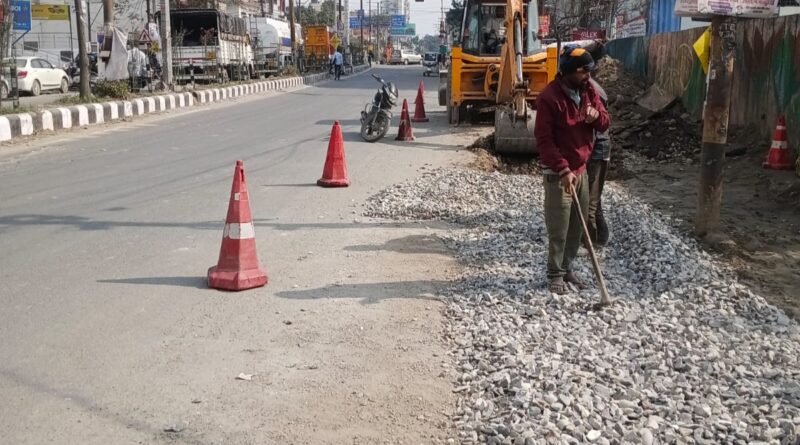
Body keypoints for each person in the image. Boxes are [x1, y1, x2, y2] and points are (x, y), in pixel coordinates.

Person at [534, 45, 610, 294]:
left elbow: (605, 121)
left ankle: (567, 267)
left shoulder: (588, 91)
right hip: (559, 174)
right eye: (583, 72)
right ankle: (555, 273)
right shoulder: (549, 99)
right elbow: (545, 142)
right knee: (559, 226)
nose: (588, 76)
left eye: (589, 71)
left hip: (581, 169)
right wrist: (563, 170)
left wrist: (595, 116)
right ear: (568, 73)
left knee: (578, 226)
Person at [586, 42, 611, 246]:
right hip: (593, 147)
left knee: (591, 202)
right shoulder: (591, 87)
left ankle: (592, 241)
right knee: (593, 197)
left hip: (597, 148)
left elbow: (600, 124)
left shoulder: (594, 91)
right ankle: (598, 236)